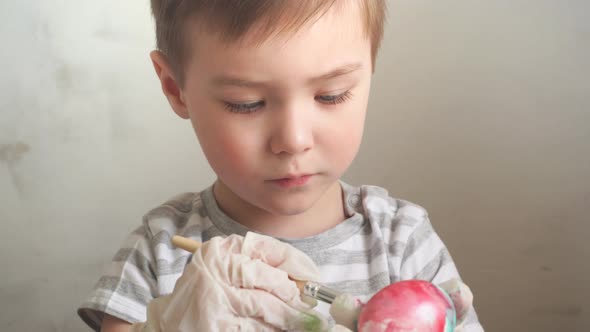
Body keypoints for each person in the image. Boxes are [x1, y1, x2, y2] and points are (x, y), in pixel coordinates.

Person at [78, 1, 484, 331]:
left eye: (331, 95)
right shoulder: (161, 248)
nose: (293, 139)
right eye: (247, 103)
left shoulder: (401, 241)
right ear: (174, 88)